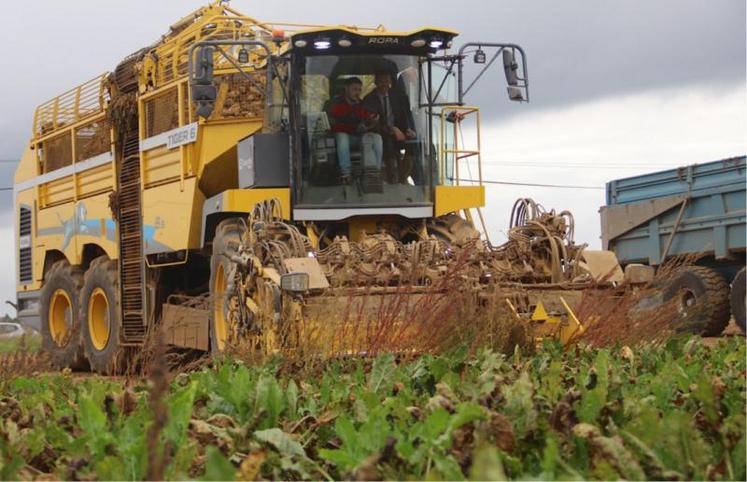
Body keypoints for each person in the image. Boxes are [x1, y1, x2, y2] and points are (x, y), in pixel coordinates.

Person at [363, 72, 417, 183]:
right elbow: (372, 124)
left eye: (387, 81)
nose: (384, 85)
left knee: (414, 143)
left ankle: (403, 177)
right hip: (380, 133)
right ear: (376, 82)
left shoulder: (399, 97)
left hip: (400, 132)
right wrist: (392, 129)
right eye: (381, 81)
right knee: (388, 143)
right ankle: (392, 179)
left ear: (391, 83)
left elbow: (406, 115)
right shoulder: (369, 99)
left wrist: (409, 130)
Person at [327, 77, 382, 183]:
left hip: (360, 137)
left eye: (359, 90)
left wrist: (372, 123)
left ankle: (375, 173)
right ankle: (346, 174)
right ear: (346, 88)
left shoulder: (363, 105)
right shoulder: (334, 103)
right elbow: (330, 123)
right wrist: (353, 127)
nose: (357, 92)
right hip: (342, 139)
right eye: (354, 89)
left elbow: (371, 122)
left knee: (377, 138)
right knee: (342, 136)